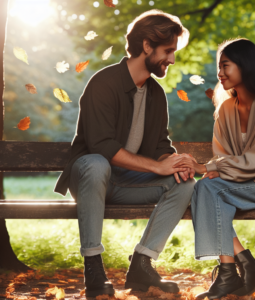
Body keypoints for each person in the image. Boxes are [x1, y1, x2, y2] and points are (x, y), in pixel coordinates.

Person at [54, 9, 195, 298]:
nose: (171, 59)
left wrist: (177, 162)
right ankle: (93, 267)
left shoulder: (156, 94)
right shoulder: (103, 83)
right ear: (146, 46)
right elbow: (102, 147)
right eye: (168, 50)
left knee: (185, 183)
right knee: (96, 164)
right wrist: (157, 168)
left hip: (126, 183)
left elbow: (159, 147)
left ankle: (142, 263)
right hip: (91, 180)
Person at [177, 38, 255, 300]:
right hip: (237, 184)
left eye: (225, 66)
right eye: (218, 67)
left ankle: (234, 271)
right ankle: (237, 267)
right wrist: (214, 169)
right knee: (206, 189)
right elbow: (223, 157)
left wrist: (205, 166)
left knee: (207, 188)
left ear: (245, 66)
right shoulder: (225, 109)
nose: (219, 73)